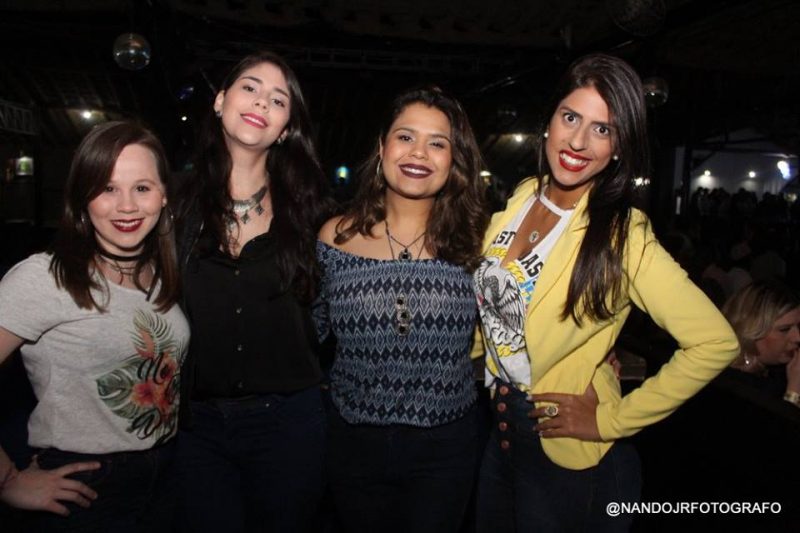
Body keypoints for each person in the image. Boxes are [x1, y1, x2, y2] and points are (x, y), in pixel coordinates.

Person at [473, 53, 740, 532]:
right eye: (570, 117)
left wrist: (611, 420)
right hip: (499, 431)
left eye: (602, 129)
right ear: (549, 121)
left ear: (619, 147)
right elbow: (495, 311)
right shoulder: (524, 195)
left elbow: (715, 342)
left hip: (568, 455)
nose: (578, 141)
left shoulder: (623, 234)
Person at [315, 85, 489, 533]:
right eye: (406, 136)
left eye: (437, 143)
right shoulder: (335, 238)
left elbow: (518, 321)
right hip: (352, 443)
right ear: (382, 147)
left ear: (454, 160)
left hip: (445, 448)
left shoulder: (478, 243)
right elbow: (306, 333)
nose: (419, 153)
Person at [0, 120, 187, 531]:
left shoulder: (160, 276)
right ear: (83, 197)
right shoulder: (44, 278)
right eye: (107, 188)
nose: (126, 206)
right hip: (87, 485)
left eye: (142, 187)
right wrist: (8, 479)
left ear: (164, 196)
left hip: (168, 474)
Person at [174, 51, 330, 532]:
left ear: (284, 129)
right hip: (195, 427)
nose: (262, 102)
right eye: (250, 88)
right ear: (220, 101)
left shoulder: (315, 212)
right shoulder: (170, 203)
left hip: (290, 425)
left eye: (278, 100)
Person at [722, 281, 800, 407]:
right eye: (784, 329)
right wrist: (794, 392)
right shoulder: (730, 382)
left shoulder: (780, 370)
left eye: (799, 327)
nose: (797, 337)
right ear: (752, 329)